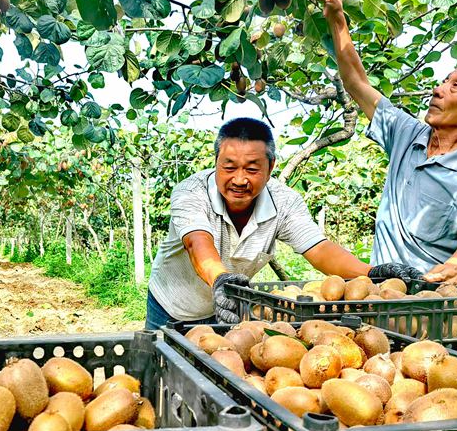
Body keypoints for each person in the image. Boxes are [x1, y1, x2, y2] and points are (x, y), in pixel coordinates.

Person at [316, 0, 457, 287]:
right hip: (383, 296)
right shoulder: (406, 133)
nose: (438, 89)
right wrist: (337, 16)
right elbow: (356, 82)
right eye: (444, 80)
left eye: (455, 85)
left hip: (431, 300)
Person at [145, 117, 420, 329]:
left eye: (252, 169)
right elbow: (197, 242)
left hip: (230, 309)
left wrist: (370, 272)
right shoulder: (191, 191)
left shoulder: (284, 201)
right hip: (171, 306)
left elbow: (319, 249)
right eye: (229, 168)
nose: (239, 180)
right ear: (216, 162)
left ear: (271, 166)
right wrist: (221, 279)